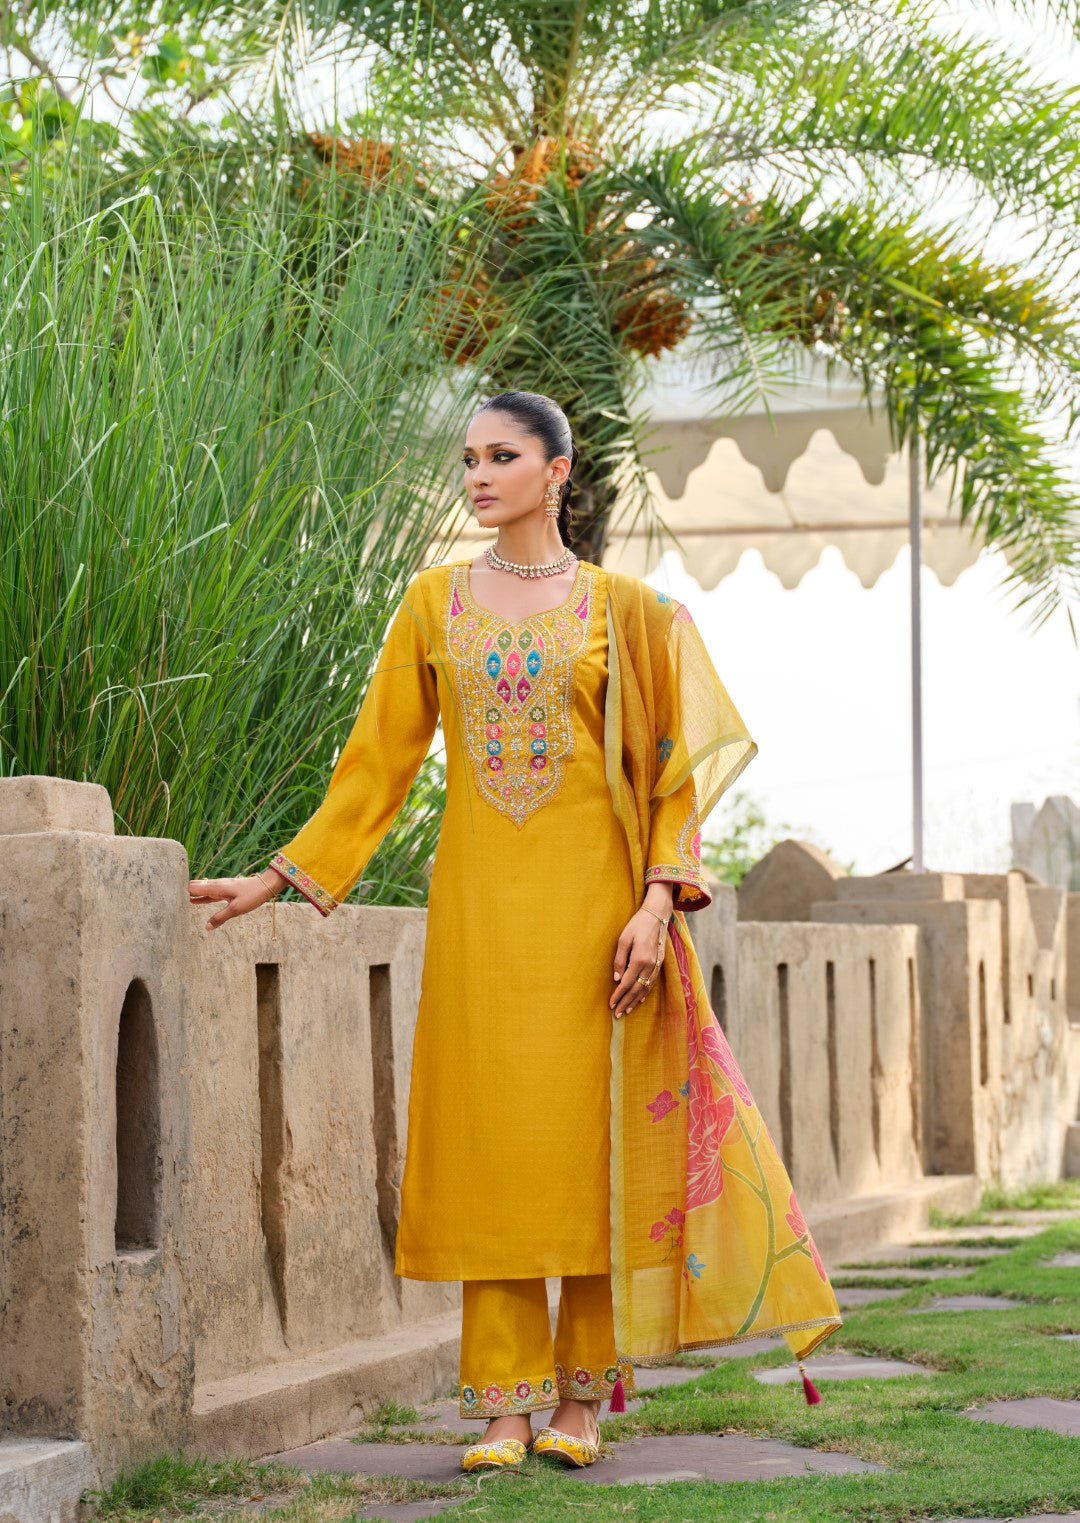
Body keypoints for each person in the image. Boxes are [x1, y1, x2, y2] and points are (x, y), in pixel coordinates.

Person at [189, 390, 842, 1475]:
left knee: (583, 1151)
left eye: (502, 456)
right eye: (468, 459)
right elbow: (377, 761)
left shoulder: (628, 611)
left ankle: (581, 1397)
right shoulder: (432, 602)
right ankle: (503, 1405)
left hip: (595, 916)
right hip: (482, 917)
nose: (478, 476)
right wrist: (283, 874)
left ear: (557, 470)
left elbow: (673, 773)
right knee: (492, 1145)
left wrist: (655, 903)